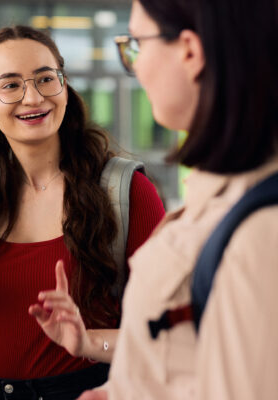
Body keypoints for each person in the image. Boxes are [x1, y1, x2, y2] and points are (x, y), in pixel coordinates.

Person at [0, 25, 165, 400]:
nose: (33, 97)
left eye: (46, 78)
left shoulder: (127, 194)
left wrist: (88, 341)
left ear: (64, 87)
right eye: (10, 85)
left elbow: (166, 336)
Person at [73, 0, 278, 399]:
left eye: (136, 44)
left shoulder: (259, 232)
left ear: (189, 51)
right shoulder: (217, 196)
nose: (133, 65)